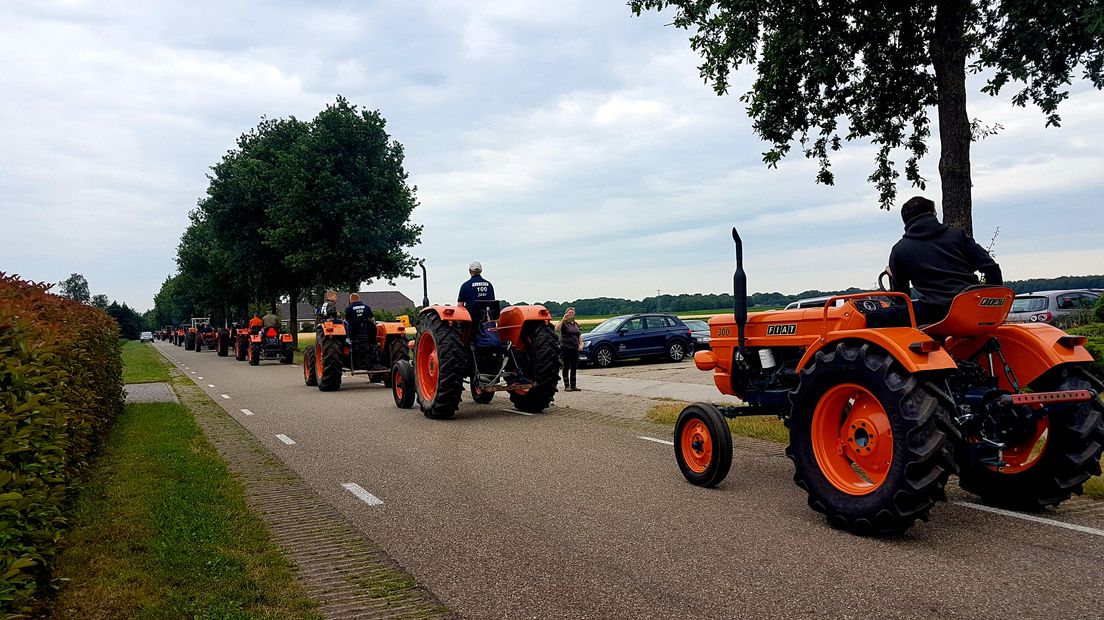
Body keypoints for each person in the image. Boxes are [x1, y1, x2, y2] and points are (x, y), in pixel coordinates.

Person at [866, 196, 1003, 328]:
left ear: (906, 222)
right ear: (932, 213)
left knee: (873, 317)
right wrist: (993, 305)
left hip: (936, 312)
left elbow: (902, 297)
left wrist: (894, 275)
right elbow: (992, 268)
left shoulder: (900, 250)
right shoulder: (958, 235)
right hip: (971, 306)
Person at [556, 307, 583, 391]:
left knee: (574, 367)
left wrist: (581, 345)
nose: (571, 314)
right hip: (566, 348)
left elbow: (579, 335)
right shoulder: (564, 323)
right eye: (569, 313)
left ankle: (574, 385)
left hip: (575, 348)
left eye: (572, 313)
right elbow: (556, 329)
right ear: (566, 313)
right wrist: (563, 319)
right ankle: (567, 385)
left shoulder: (576, 324)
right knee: (566, 366)